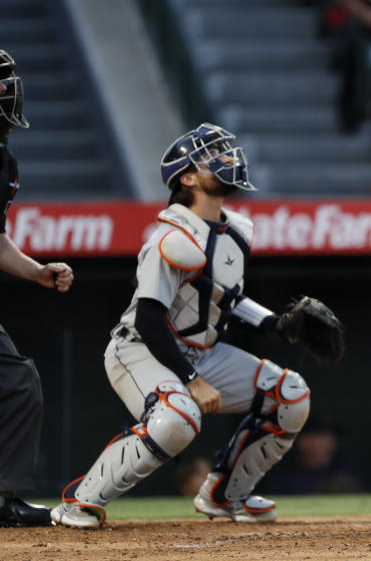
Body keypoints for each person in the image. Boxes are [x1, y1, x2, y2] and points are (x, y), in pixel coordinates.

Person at [50, 123, 345, 528]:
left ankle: (225, 495)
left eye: (227, 151)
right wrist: (191, 379)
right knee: (178, 418)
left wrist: (278, 325)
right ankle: (77, 503)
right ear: (188, 177)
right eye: (214, 155)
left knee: (291, 395)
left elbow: (226, 299)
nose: (228, 159)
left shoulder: (236, 230)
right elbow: (150, 318)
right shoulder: (169, 236)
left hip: (201, 351)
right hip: (140, 349)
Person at [0, 50, 75, 527]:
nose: (9, 89)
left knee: (17, 384)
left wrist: (35, 271)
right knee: (18, 383)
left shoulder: (3, 161)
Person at [265, 414, 366, 494]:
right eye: (321, 437)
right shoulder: (283, 477)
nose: (329, 443)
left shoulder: (347, 470)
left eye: (331, 437)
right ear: (302, 441)